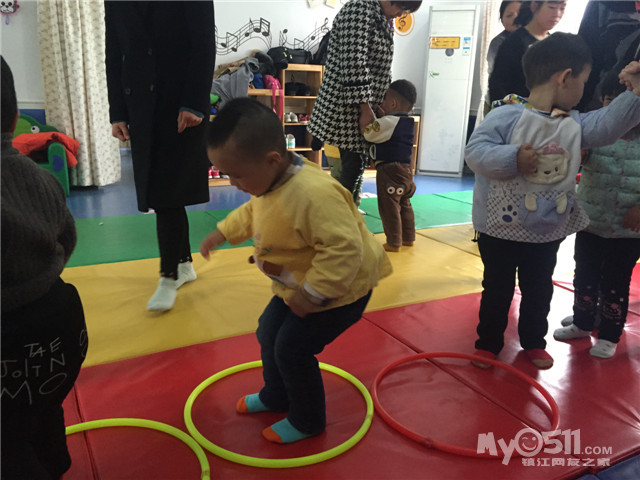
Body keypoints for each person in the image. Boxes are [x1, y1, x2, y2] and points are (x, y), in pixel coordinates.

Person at [200, 98, 392, 444]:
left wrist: (313, 295)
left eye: (237, 175)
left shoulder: (313, 194)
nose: (232, 182)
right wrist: (223, 232)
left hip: (341, 289)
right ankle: (276, 395)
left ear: (273, 159)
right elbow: (253, 211)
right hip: (297, 284)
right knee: (268, 331)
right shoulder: (269, 182)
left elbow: (344, 249)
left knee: (292, 349)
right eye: (226, 174)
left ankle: (307, 420)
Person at [465, 33, 640, 370]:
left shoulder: (572, 124)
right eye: (584, 81)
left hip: (545, 229)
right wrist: (513, 158)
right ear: (565, 77)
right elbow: (476, 153)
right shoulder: (506, 115)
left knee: (538, 290)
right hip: (499, 227)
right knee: (497, 288)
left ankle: (533, 341)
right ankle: (487, 343)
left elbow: (607, 126)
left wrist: (635, 93)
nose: (584, 90)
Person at [1, 56, 88, 480]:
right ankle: (54, 461)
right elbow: (65, 240)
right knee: (43, 406)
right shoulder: (39, 178)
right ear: (15, 115)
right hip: (62, 334)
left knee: (7, 442)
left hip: (8, 344)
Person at [105, 1, 216, 312]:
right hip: (140, 102)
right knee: (160, 188)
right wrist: (117, 111)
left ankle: (168, 275)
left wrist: (194, 102)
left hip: (179, 102)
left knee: (167, 190)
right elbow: (113, 53)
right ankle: (183, 264)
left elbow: (203, 43)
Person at [553, 69, 640, 358]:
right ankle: (583, 321)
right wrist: (578, 154)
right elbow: (578, 158)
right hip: (590, 222)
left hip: (627, 231)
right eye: (608, 100)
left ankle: (610, 334)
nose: (616, 109)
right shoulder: (596, 133)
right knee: (584, 275)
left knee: (615, 283)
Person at [308, 0, 422, 207]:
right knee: (351, 167)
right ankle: (339, 215)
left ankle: (347, 212)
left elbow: (381, 69)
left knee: (356, 166)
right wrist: (364, 108)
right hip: (346, 105)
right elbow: (354, 62)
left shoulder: (381, 17)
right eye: (401, 8)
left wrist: (381, 105)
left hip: (365, 105)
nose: (400, 14)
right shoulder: (359, 9)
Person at [363, 79, 417, 252]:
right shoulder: (408, 122)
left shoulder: (388, 122)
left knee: (389, 206)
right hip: (406, 170)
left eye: (385, 100)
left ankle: (394, 242)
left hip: (389, 171)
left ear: (393, 103)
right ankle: (408, 238)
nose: (382, 103)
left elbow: (369, 133)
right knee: (404, 203)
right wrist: (383, 118)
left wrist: (370, 119)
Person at [488, 1, 566, 104]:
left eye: (562, 8)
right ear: (534, 6)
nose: (557, 14)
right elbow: (498, 84)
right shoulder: (515, 41)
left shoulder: (555, 43)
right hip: (518, 110)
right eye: (551, 7)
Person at [487, 1, 522, 76]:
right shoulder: (499, 42)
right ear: (502, 21)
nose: (515, 18)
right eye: (509, 15)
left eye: (520, 13)